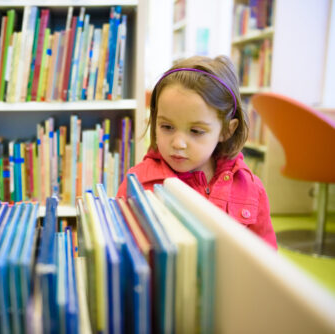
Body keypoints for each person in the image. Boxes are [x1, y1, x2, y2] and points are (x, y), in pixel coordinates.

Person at [117, 55, 277, 249]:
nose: (178, 143)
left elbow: (265, 259)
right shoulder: (137, 183)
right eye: (167, 127)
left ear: (227, 130)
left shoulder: (251, 189)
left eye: (196, 131)